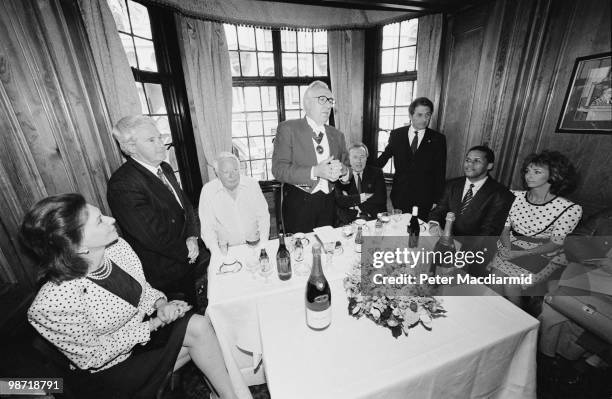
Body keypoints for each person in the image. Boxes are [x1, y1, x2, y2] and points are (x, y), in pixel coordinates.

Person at [21, 194, 237, 399]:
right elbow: (92, 357)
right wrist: (155, 323)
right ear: (76, 245)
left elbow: (144, 291)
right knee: (202, 343)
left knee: (200, 326)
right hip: (109, 371)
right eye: (99, 221)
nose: (111, 219)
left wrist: (161, 304)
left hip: (141, 337)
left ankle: (229, 396)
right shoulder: (51, 304)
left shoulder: (117, 248)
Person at [107, 116, 203, 305]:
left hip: (186, 259)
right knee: (177, 321)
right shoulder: (123, 184)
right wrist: (186, 250)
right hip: (162, 273)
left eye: (160, 137)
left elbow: (186, 207)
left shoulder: (165, 168)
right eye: (151, 140)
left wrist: (192, 237)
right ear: (131, 147)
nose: (162, 144)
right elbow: (153, 236)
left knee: (193, 304)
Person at [489, 150, 583, 305]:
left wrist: (519, 254)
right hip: (511, 245)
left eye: (537, 172)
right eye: (527, 171)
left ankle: (519, 323)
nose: (529, 175)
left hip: (543, 253)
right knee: (494, 281)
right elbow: (504, 229)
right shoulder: (514, 196)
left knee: (511, 285)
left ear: (554, 175)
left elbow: (555, 243)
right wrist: (508, 249)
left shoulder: (569, 209)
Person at [272, 80, 350, 233]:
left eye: (330, 101)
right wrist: (315, 171)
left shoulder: (337, 135)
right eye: (323, 100)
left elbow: (347, 166)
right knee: (301, 253)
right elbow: (278, 169)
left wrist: (344, 172)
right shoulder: (288, 129)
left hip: (329, 204)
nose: (329, 105)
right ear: (307, 103)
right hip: (299, 204)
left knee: (327, 250)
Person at [429, 146, 515, 272]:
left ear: (489, 165)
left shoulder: (501, 194)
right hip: (444, 242)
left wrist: (461, 254)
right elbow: (440, 209)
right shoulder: (452, 184)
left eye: (477, 161)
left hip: (474, 252)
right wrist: (434, 224)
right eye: (468, 160)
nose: (470, 164)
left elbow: (489, 232)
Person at [374, 97, 446, 221]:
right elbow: (384, 157)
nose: (424, 119)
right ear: (411, 115)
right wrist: (364, 170)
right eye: (419, 115)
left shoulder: (438, 139)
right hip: (400, 195)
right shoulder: (397, 135)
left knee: (417, 231)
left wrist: (436, 199)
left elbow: (440, 171)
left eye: (427, 115)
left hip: (424, 198)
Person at [199, 152, 270, 254]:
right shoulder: (208, 191)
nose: (232, 175)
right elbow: (207, 228)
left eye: (235, 170)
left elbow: (263, 217)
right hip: (226, 251)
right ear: (217, 173)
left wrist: (263, 244)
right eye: (226, 172)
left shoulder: (252, 184)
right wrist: (217, 254)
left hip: (255, 246)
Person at [334, 143, 387, 225]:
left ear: (366, 158)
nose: (359, 160)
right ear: (349, 159)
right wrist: (366, 196)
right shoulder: (340, 176)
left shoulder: (377, 173)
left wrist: (353, 203)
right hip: (349, 220)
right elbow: (340, 201)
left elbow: (380, 198)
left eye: (362, 157)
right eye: (355, 157)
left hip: (373, 219)